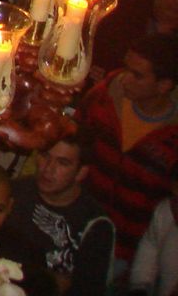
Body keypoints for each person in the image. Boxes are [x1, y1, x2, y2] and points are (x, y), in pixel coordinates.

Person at [79, 34, 178, 274]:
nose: (125, 79)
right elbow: (74, 142)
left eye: (138, 75)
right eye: (126, 68)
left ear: (164, 85)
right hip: (77, 228)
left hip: (128, 254)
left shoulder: (173, 136)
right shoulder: (104, 96)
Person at [12, 135, 118, 296]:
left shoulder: (97, 225)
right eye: (45, 156)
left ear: (81, 172)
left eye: (62, 163)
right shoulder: (15, 192)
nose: (48, 169)